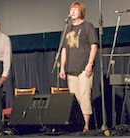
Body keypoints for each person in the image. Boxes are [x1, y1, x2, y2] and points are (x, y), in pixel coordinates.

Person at [59, 2, 98, 132]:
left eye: (75, 9)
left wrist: (90, 64)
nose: (73, 11)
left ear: (81, 12)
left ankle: (86, 126)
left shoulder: (88, 26)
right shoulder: (67, 29)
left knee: (84, 95)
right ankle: (77, 124)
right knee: (74, 98)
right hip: (70, 69)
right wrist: (62, 68)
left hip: (84, 68)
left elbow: (94, 46)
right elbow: (64, 49)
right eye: (71, 9)